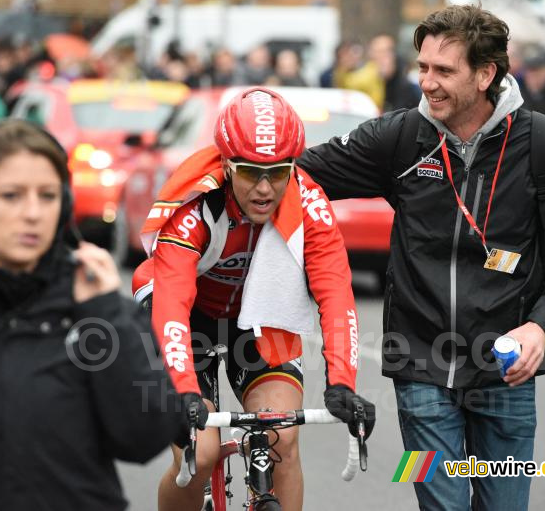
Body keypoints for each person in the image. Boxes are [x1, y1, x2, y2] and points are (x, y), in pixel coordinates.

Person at [298, 4, 545, 511]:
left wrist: (540, 328)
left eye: (444, 70)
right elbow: (296, 176)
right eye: (422, 67)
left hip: (506, 375)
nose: (427, 82)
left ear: (486, 74)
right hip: (419, 370)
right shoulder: (400, 138)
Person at [132, 87, 376, 511]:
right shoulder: (195, 205)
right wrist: (186, 392)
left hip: (261, 311)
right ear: (226, 164)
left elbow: (335, 295)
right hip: (186, 316)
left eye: (278, 173)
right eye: (249, 173)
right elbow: (172, 303)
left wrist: (342, 384)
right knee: (200, 452)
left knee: (280, 436)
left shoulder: (309, 203)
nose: (265, 188)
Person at [0, 119, 182, 510]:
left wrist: (106, 311)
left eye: (47, 196)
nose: (32, 213)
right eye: (11, 196)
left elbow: (147, 436)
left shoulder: (102, 309)